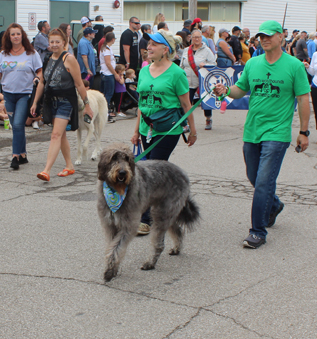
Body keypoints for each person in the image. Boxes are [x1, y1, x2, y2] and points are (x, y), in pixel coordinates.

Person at [214, 20, 310, 249]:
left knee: (265, 182)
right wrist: (226, 91)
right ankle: (274, 205)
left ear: (281, 37)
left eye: (269, 35)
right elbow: (240, 90)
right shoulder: (253, 63)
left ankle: (257, 231)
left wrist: (304, 132)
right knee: (254, 178)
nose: (264, 39)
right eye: (261, 36)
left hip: (277, 133)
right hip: (252, 130)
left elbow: (303, 99)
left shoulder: (294, 66)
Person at [131, 29, 198, 235]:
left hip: (168, 130)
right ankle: (175, 205)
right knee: (146, 171)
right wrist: (136, 131)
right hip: (146, 129)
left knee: (150, 173)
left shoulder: (177, 73)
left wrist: (192, 130)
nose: (148, 47)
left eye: (153, 44)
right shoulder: (144, 70)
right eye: (148, 43)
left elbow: (186, 105)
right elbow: (142, 104)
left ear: (165, 49)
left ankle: (145, 219)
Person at [30, 29, 93, 182]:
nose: (54, 44)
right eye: (52, 42)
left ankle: (46, 170)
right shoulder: (47, 59)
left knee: (55, 135)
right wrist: (35, 102)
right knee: (61, 134)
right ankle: (69, 165)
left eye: (58, 41)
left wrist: (87, 105)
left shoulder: (69, 59)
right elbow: (42, 83)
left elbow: (79, 84)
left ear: (64, 43)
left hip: (66, 101)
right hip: (51, 101)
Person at [0, 23, 42, 170]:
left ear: (22, 35)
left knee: (17, 125)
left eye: (18, 34)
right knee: (17, 127)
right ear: (8, 37)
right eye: (13, 34)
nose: (16, 37)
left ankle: (15, 156)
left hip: (25, 94)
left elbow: (40, 71)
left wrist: (37, 78)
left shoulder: (31, 53)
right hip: (8, 95)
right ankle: (23, 154)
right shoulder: (4, 54)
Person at [180, 29, 216, 130]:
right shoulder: (187, 50)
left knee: (206, 101)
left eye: (198, 37)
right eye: (194, 37)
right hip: (188, 81)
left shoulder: (207, 50)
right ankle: (186, 124)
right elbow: (182, 65)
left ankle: (208, 118)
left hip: (202, 80)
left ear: (201, 38)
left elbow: (213, 64)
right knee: (186, 103)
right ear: (191, 38)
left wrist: (205, 65)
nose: (196, 39)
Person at [99, 32, 118, 120]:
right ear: (113, 39)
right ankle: (105, 113)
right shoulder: (106, 50)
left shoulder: (106, 48)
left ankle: (102, 112)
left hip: (105, 73)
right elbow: (108, 63)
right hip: (108, 74)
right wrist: (115, 73)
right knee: (108, 94)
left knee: (104, 93)